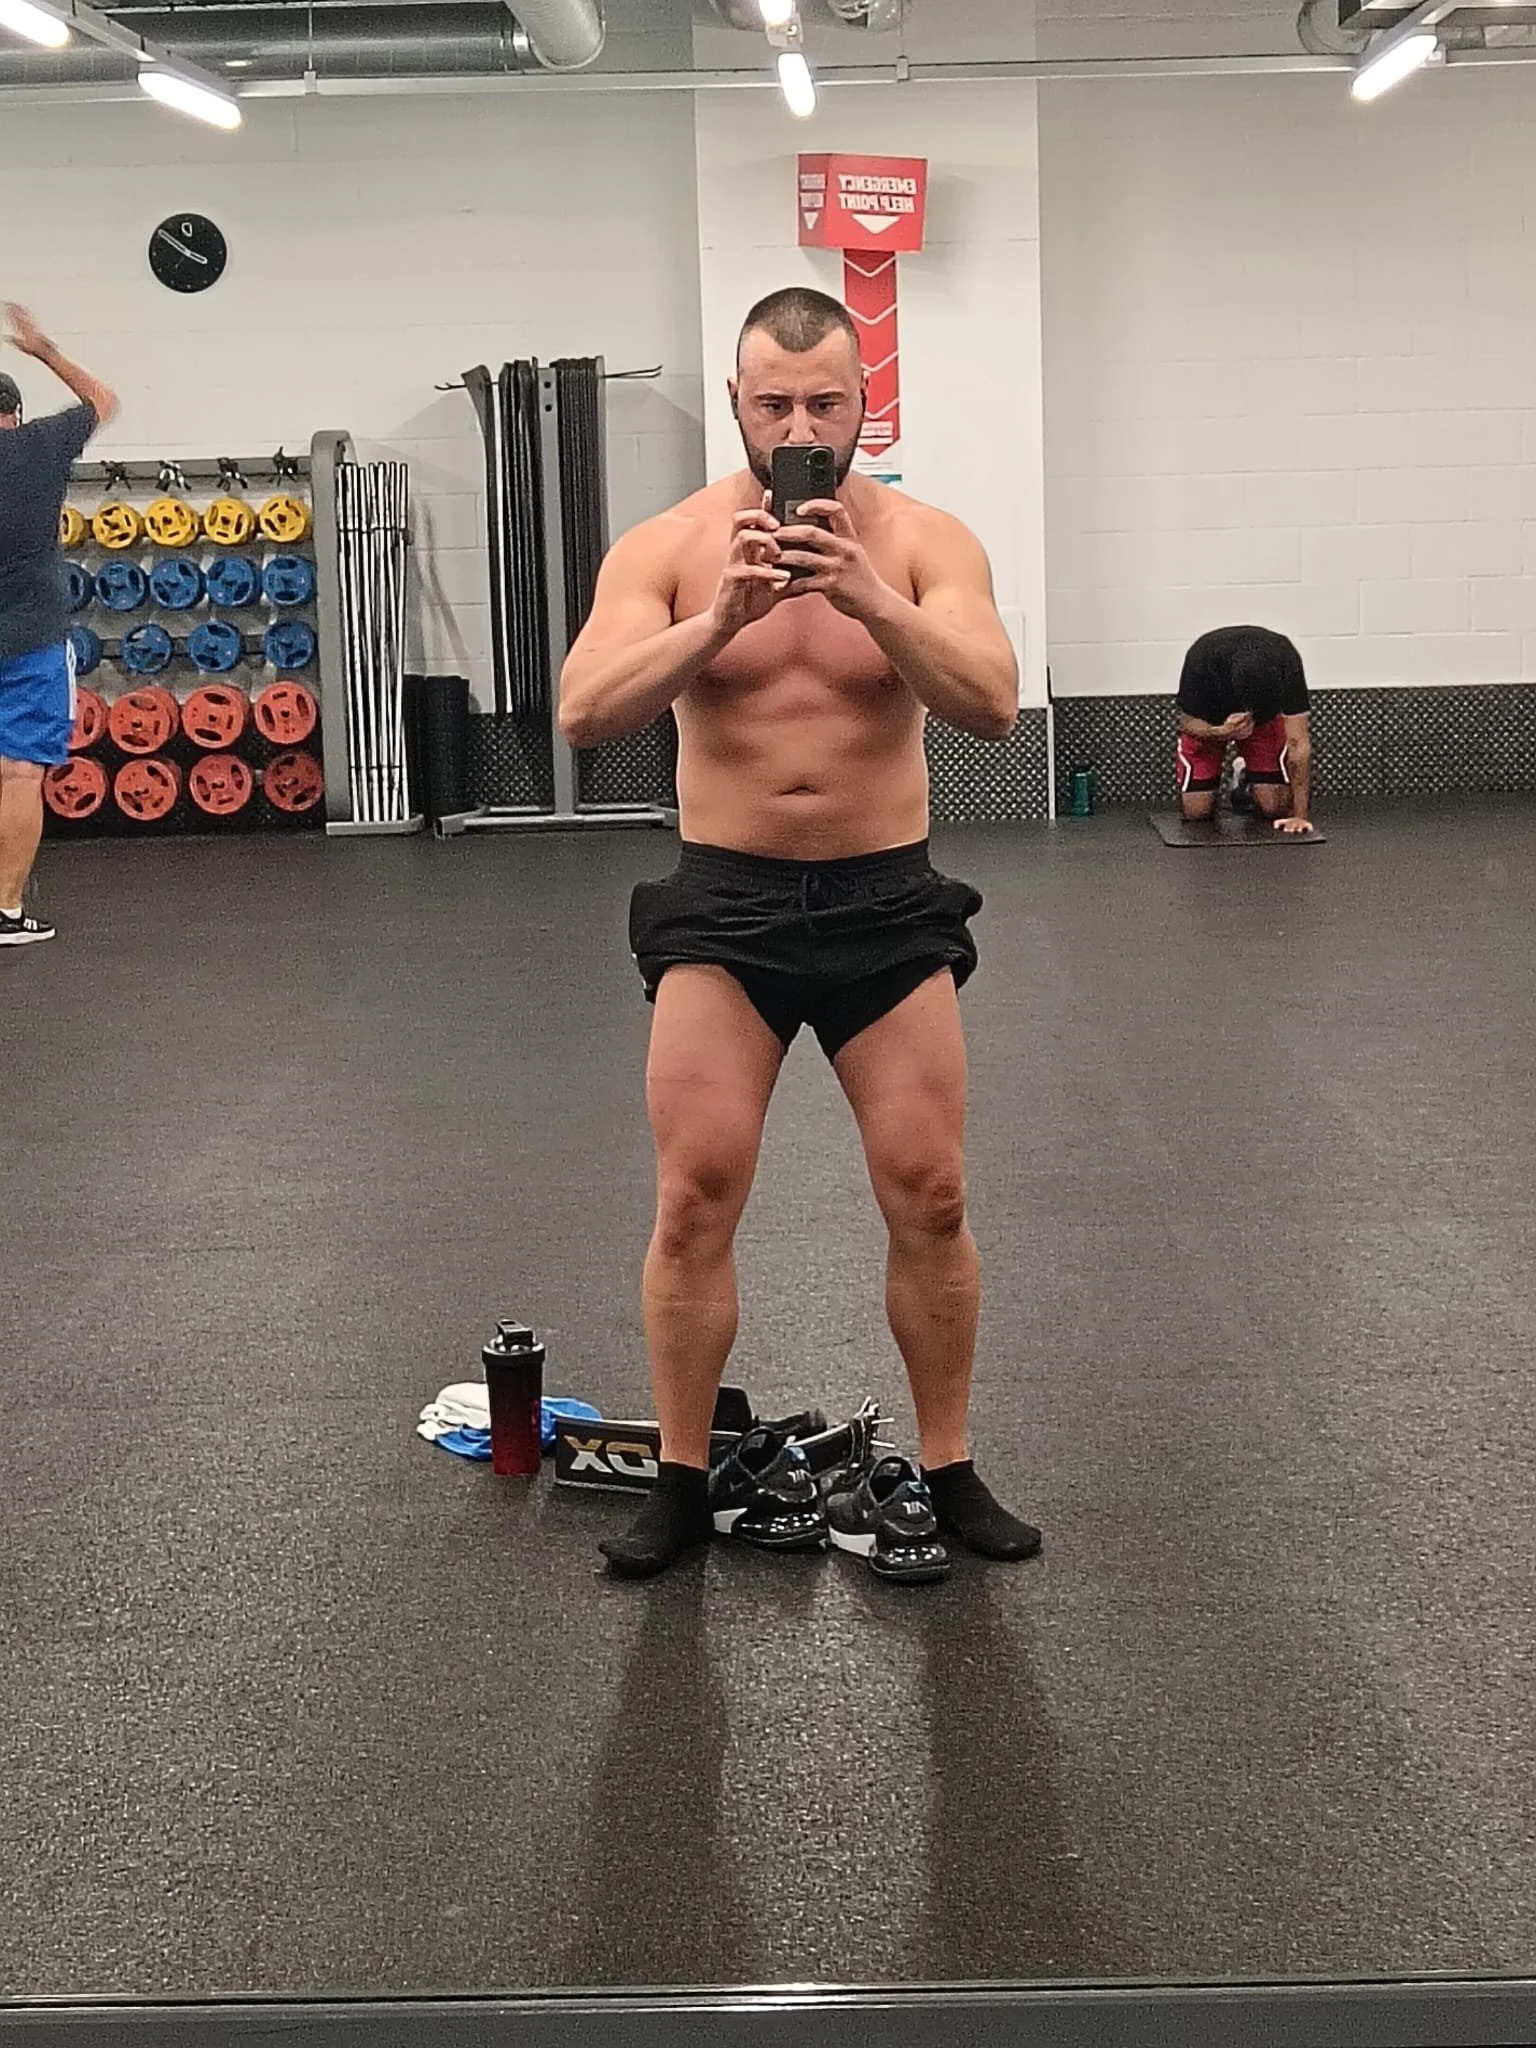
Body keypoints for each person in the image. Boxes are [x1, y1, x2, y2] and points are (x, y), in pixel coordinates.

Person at [559, 285, 1042, 1578]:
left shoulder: (929, 542)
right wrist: (718, 623)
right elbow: (581, 711)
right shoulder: (669, 547)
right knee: (693, 1196)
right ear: (736, 405)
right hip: (729, 904)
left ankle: (947, 1468)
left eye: (824, 399)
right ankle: (675, 1480)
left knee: (931, 1194)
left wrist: (873, 599)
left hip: (887, 901)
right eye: (773, 403)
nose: (799, 425)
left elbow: (994, 703)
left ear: (865, 401)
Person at [0, 304, 118, 945]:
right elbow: (105, 398)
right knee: (19, 772)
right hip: (31, 638)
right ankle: (5, 910)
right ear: (13, 414)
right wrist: (43, 348)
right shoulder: (40, 445)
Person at [1174, 623, 1314, 834]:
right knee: (1196, 812)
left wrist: (1299, 816)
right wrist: (1219, 732)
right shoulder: (1202, 659)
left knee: (1274, 807)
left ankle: (1245, 781)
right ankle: (1214, 782)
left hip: (1264, 722)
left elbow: (1298, 742)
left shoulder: (1286, 659)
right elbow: (1186, 722)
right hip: (1211, 723)